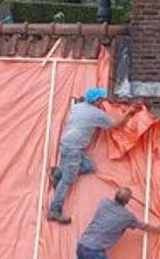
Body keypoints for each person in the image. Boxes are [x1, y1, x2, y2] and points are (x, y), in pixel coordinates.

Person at [47, 88, 139, 224]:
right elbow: (117, 125)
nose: (103, 102)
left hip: (67, 143)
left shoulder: (78, 107)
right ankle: (54, 211)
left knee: (90, 167)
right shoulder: (96, 114)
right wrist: (129, 113)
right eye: (101, 99)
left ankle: (59, 173)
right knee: (67, 180)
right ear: (96, 101)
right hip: (74, 149)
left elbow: (80, 101)